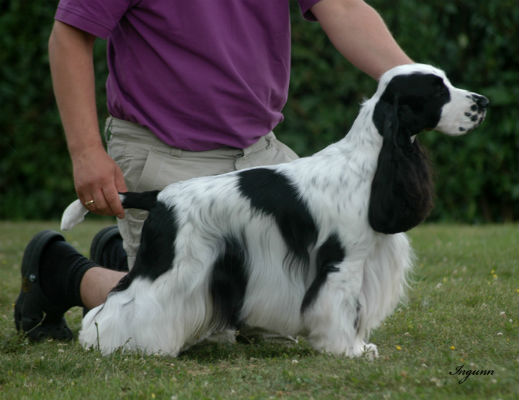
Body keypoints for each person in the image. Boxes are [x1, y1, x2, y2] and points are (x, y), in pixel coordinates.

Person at [15, 0, 413, 341]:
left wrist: (424, 85)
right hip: (164, 150)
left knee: (303, 314)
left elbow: (343, 6)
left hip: (260, 156)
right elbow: (69, 32)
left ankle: (132, 255)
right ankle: (57, 270)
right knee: (203, 323)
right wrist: (86, 151)